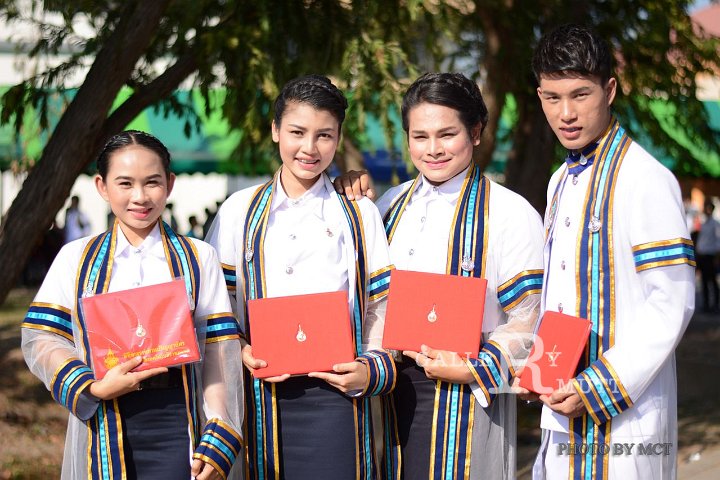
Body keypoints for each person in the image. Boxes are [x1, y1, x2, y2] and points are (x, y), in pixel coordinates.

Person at [335, 72, 545, 479]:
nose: (433, 149)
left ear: (476, 132)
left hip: (468, 398)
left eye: (447, 134)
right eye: (420, 136)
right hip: (391, 390)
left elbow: (532, 317)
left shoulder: (509, 212)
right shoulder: (389, 205)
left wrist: (475, 366)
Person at [21, 131, 244, 480]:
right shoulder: (75, 259)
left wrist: (219, 427)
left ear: (170, 184)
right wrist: (92, 387)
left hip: (179, 421)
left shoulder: (198, 258)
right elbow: (42, 338)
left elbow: (218, 350)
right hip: (105, 418)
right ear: (102, 186)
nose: (140, 196)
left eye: (152, 182)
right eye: (125, 183)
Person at [205, 74, 396, 480]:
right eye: (297, 132)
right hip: (259, 393)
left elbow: (382, 305)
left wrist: (370, 368)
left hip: (338, 395)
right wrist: (240, 348)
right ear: (275, 130)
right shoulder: (239, 211)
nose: (309, 148)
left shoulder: (358, 213)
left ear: (338, 137)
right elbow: (215, 304)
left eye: (324, 135)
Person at [529, 24, 696, 479]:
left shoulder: (646, 178)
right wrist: (539, 370)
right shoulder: (559, 181)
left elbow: (672, 302)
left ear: (610, 90)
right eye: (552, 97)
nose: (566, 113)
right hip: (560, 405)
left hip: (626, 415)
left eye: (580, 95)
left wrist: (598, 385)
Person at [695, 200, 720, 313]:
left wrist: (717, 257)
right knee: (704, 281)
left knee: (712, 281)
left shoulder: (715, 224)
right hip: (703, 255)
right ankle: (706, 304)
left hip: (711, 256)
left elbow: (718, 241)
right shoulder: (704, 223)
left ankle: (715, 304)